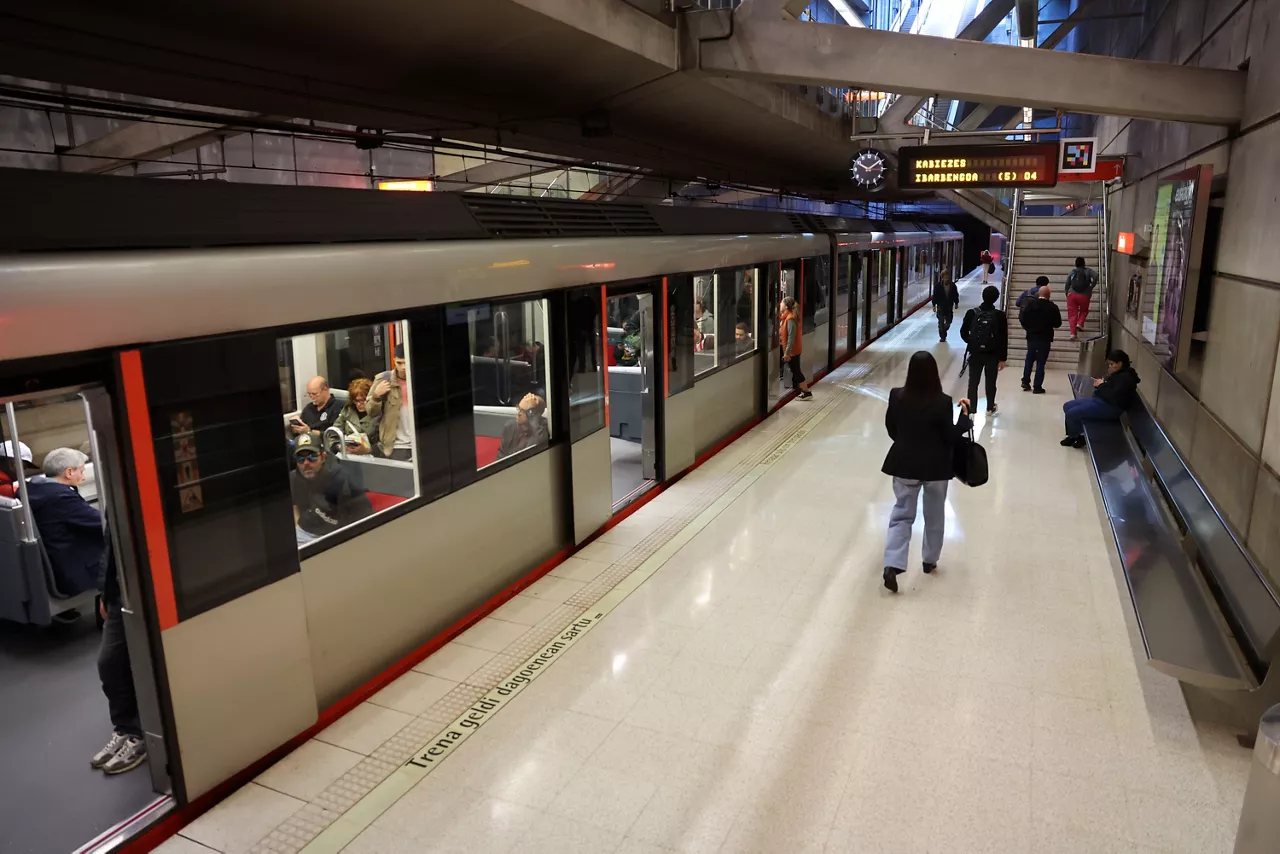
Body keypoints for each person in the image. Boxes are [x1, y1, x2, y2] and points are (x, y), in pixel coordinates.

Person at [881, 351, 972, 593]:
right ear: (934, 373)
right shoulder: (942, 402)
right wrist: (964, 420)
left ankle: (892, 564)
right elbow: (949, 437)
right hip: (935, 468)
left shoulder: (897, 396)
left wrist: (906, 443)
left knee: (901, 515)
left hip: (904, 464)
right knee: (934, 515)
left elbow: (892, 428)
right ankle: (929, 560)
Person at [91, 522, 147, 775]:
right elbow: (110, 547)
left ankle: (143, 733)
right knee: (110, 663)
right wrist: (105, 592)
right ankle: (126, 728)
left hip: (150, 588)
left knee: (147, 666)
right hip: (120, 591)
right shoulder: (117, 490)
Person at [25, 448, 104, 595]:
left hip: (57, 562)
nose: (84, 477)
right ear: (69, 473)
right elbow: (101, 523)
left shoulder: (34, 489)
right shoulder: (61, 498)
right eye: (81, 471)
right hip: (76, 570)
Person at [290, 432, 374, 544]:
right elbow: (294, 504)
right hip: (304, 531)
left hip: (335, 537)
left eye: (312, 457)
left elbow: (365, 517)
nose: (306, 463)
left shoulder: (342, 479)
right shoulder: (295, 477)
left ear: (323, 457)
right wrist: (297, 525)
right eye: (301, 459)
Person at [1061, 350, 1141, 448]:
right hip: (1102, 401)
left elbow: (1112, 396)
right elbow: (1109, 389)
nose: (1110, 366)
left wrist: (1101, 385)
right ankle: (1077, 434)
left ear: (1120, 363)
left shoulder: (1126, 378)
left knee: (1072, 413)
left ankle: (1074, 436)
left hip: (1112, 408)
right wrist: (1102, 384)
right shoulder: (1119, 374)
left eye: (1112, 364)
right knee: (1068, 406)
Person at [960, 285, 1008, 415]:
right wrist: (1002, 358)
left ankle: (971, 408)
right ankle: (989, 407)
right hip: (992, 355)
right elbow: (1003, 338)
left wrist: (972, 343)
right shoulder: (1000, 316)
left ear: (983, 297)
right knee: (990, 382)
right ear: (996, 298)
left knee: (973, 382)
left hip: (975, 353)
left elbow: (963, 332)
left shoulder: (972, 313)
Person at [368, 345, 413, 460]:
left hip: (420, 444)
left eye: (406, 362)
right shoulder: (383, 379)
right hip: (396, 446)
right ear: (394, 361)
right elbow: (370, 412)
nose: (403, 367)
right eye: (399, 363)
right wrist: (376, 396)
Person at [1019, 284, 1062, 394]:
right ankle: (1037, 386)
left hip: (1032, 336)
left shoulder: (1031, 305)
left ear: (1039, 294)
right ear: (1049, 295)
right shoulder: (1052, 307)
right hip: (1045, 337)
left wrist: (1029, 328)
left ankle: (1025, 381)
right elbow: (1057, 324)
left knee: (1029, 359)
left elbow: (1023, 319)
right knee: (1041, 362)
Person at [779, 297, 813, 400]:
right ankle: (806, 392)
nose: (779, 305)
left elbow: (791, 337)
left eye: (781, 303)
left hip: (791, 351)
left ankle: (806, 392)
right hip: (788, 350)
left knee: (796, 371)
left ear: (785, 306)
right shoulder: (786, 318)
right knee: (795, 371)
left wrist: (787, 353)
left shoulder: (790, 319)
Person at [498, 393, 549, 460]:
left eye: (522, 411)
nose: (518, 414)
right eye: (518, 409)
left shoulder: (541, 429)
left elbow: (536, 446)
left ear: (533, 414)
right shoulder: (510, 427)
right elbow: (500, 457)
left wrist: (531, 410)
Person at [333, 377, 375, 455]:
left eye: (362, 401)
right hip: (348, 455)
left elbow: (386, 443)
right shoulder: (347, 411)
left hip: (373, 457)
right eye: (356, 401)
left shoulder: (378, 414)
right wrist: (340, 447)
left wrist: (368, 450)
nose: (359, 404)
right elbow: (333, 434)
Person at [1064, 256, 1099, 341]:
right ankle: (1080, 323)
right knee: (1084, 310)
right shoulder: (1088, 271)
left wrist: (1067, 293)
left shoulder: (1073, 272)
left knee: (1072, 314)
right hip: (1085, 295)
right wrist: (1091, 286)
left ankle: (1073, 334)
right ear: (1084, 263)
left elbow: (1067, 283)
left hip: (1072, 295)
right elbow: (1096, 275)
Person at [931, 270, 960, 342]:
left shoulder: (953, 285)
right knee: (941, 322)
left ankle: (944, 329)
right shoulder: (938, 286)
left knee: (949, 321)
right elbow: (935, 296)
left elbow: (955, 295)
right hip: (940, 306)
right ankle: (942, 337)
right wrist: (934, 305)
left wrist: (956, 303)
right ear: (942, 277)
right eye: (945, 277)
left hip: (949, 306)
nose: (946, 278)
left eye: (947, 277)